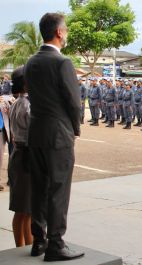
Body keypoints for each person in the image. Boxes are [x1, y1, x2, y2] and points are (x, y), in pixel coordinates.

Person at [24, 13, 84, 261]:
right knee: (59, 189)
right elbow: (73, 101)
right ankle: (56, 245)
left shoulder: (31, 62)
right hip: (58, 133)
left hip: (36, 131)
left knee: (39, 187)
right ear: (59, 32)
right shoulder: (62, 63)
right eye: (66, 30)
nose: (67, 34)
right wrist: (75, 129)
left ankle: (39, 240)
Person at [8, 66, 33, 247]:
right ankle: (22, 248)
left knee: (26, 210)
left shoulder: (17, 102)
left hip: (20, 155)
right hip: (26, 156)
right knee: (24, 209)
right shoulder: (27, 105)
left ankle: (26, 246)